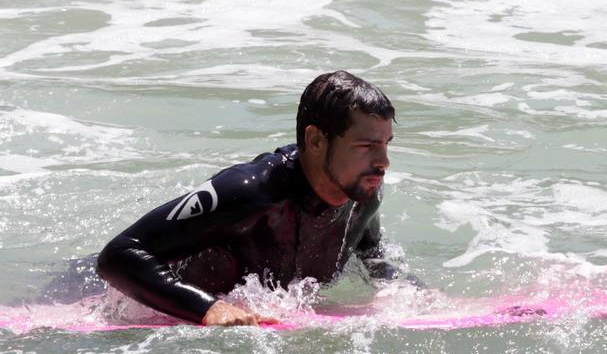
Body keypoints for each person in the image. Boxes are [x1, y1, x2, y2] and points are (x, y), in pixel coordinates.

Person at [97, 70, 406, 326]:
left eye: (386, 144)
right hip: (101, 295)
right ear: (315, 140)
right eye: (366, 147)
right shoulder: (250, 192)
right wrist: (209, 308)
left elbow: (373, 256)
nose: (384, 162)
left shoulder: (362, 196)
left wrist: (405, 291)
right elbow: (119, 256)